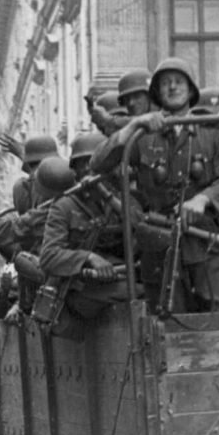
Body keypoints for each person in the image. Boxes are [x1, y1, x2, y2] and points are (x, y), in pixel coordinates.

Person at [91, 57, 219, 313]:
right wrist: (134, 125)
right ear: (157, 93)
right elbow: (99, 163)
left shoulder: (210, 132)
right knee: (166, 326)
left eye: (179, 82)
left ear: (191, 89)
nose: (172, 88)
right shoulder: (143, 136)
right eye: (165, 84)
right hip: (160, 243)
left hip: (205, 240)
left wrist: (202, 199)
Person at [39, 134, 128, 322]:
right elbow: (49, 256)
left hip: (122, 276)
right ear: (76, 171)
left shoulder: (122, 200)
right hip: (83, 288)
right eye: (84, 164)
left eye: (98, 163)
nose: (91, 169)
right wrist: (89, 257)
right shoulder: (64, 206)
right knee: (136, 294)